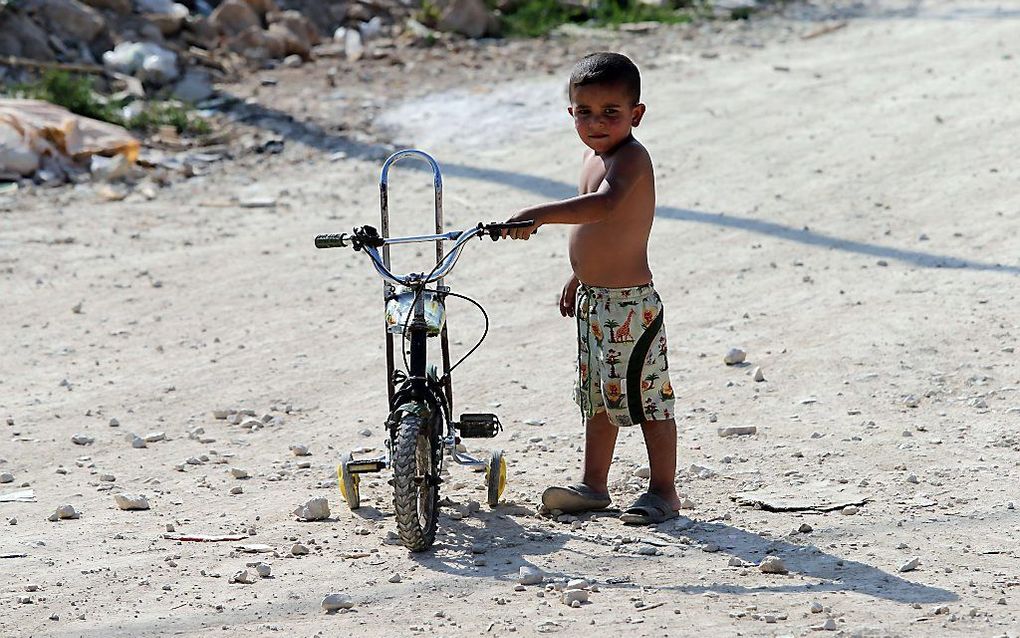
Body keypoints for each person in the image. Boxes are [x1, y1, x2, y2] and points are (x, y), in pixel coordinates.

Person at [503, 52, 682, 525]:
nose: (596, 123)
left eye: (611, 112)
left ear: (636, 114)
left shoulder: (632, 158)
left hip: (630, 305)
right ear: (570, 113)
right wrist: (578, 275)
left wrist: (540, 214)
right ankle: (594, 485)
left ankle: (664, 490)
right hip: (594, 301)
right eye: (585, 112)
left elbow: (605, 207)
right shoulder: (592, 156)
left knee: (647, 397)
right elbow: (601, 234)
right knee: (599, 396)